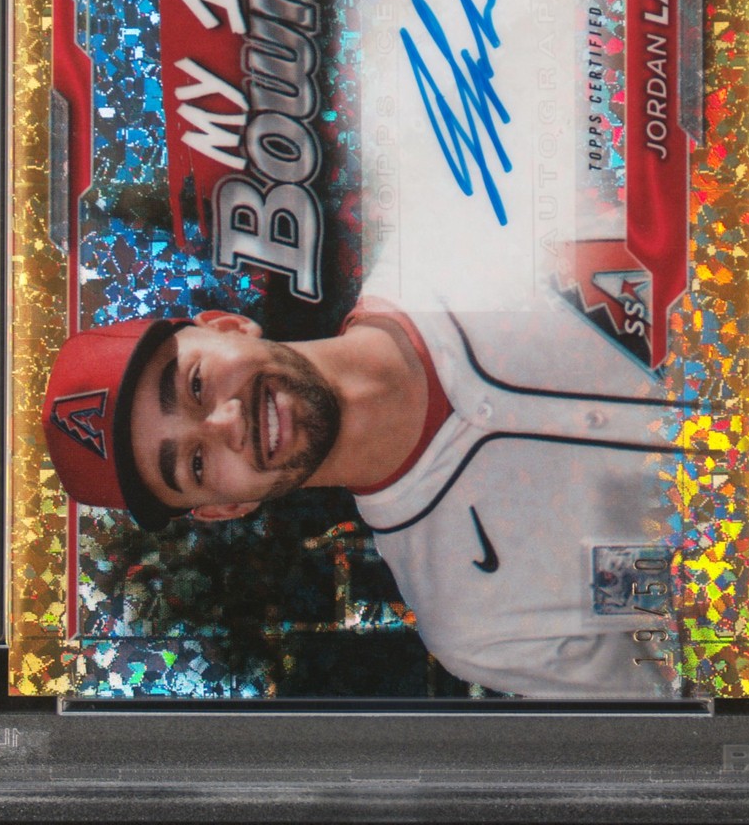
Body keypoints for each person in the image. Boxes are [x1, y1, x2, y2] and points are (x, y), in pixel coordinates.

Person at [43, 285, 694, 698]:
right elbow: (699, 668)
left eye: (194, 384)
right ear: (224, 507)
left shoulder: (461, 225)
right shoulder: (478, 622)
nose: (227, 423)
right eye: (194, 463)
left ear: (228, 325)